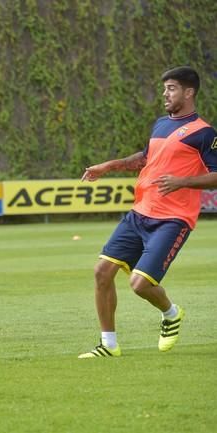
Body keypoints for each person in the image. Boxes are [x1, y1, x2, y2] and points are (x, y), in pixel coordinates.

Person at [78, 66, 217, 358]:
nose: (165, 94)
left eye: (172, 88)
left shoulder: (204, 133)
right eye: (164, 88)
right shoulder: (160, 124)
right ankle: (109, 345)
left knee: (140, 284)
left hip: (173, 219)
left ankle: (171, 313)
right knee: (102, 271)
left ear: (189, 92)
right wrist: (108, 166)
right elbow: (144, 158)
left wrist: (182, 182)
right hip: (140, 212)